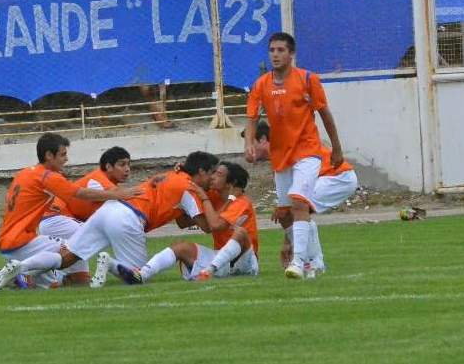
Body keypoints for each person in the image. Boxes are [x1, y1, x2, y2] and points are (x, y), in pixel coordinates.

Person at [0, 151, 226, 292]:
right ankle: (109, 262)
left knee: (65, 259)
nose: (214, 177)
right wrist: (207, 197)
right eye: (213, 172)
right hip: (128, 217)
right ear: (202, 172)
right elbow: (208, 227)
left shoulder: (173, 176)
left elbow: (183, 221)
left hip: (107, 211)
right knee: (136, 276)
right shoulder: (191, 189)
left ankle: (21, 267)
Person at [244, 31, 345, 279]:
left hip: (307, 151)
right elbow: (252, 117)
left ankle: (298, 262)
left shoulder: (308, 79)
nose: (275, 55)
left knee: (300, 202)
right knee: (286, 213)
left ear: (291, 54)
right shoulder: (261, 84)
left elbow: (324, 113)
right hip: (281, 156)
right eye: (272, 50)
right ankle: (314, 261)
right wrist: (249, 143)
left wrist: (336, 147)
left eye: (280, 50)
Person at [0, 133, 142, 292]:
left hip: (11, 239)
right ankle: (22, 271)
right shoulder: (48, 176)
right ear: (48, 155)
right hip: (21, 239)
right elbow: (81, 193)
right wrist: (117, 195)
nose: (66, 159)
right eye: (63, 154)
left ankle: (21, 276)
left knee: (57, 284)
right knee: (75, 246)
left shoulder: (25, 173)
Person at [115, 161, 259, 284]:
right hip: (221, 258)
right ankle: (142, 275)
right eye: (213, 172)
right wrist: (184, 173)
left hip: (245, 261)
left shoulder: (242, 202)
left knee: (241, 233)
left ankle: (209, 270)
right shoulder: (213, 195)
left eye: (218, 174)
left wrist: (204, 198)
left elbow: (215, 226)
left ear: (231, 183)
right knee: (181, 247)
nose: (213, 177)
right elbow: (183, 223)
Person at [251, 120, 358, 276]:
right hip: (331, 178)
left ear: (262, 140)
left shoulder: (284, 149)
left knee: (297, 207)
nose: (247, 150)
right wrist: (288, 240)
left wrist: (287, 242)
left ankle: (314, 262)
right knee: (285, 212)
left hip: (338, 177)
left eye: (250, 143)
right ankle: (308, 260)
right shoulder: (278, 156)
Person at [37, 146, 131, 285]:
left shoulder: (106, 183)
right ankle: (28, 270)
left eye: (129, 164)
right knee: (92, 235)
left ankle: (28, 274)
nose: (127, 168)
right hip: (57, 219)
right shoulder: (98, 180)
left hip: (61, 222)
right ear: (108, 166)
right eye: (122, 164)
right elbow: (125, 199)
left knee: (79, 281)